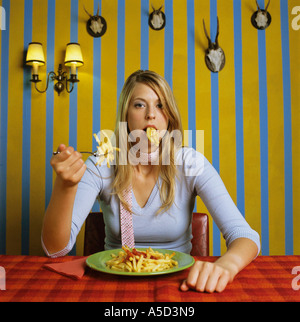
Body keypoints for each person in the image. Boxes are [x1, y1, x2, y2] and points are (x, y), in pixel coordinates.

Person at [42, 70, 260, 293]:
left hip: (180, 285)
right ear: (126, 115)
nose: (151, 115)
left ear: (169, 117)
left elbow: (245, 235)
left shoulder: (190, 163)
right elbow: (55, 249)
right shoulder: (102, 164)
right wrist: (65, 187)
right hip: (114, 284)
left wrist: (227, 265)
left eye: (160, 105)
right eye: (139, 105)